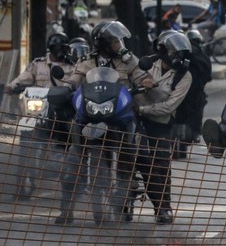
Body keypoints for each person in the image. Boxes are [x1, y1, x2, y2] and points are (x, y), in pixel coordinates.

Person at [55, 21, 153, 224]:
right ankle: (66, 210)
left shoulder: (128, 59)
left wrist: (146, 82)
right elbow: (74, 79)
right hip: (91, 115)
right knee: (72, 159)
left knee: (131, 154)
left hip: (120, 117)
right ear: (104, 43)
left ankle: (126, 196)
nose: (119, 44)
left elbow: (142, 75)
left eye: (119, 40)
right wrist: (67, 88)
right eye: (115, 40)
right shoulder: (86, 61)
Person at [4, 32, 76, 200]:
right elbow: (23, 78)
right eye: (58, 48)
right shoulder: (38, 64)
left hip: (62, 111)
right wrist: (12, 86)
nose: (61, 52)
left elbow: (77, 83)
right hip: (38, 109)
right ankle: (21, 185)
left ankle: (77, 177)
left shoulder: (72, 66)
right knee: (25, 136)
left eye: (63, 48)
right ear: (51, 48)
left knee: (75, 134)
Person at [134, 30, 192, 224]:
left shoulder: (184, 76)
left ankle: (163, 207)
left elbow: (170, 106)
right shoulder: (147, 64)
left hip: (160, 123)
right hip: (135, 119)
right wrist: (142, 81)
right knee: (138, 160)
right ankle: (125, 202)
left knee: (160, 165)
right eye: (174, 52)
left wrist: (143, 109)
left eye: (181, 54)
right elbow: (130, 78)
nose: (178, 57)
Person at [171, 30, 212, 159]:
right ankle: (194, 133)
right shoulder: (196, 54)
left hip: (187, 89)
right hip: (190, 90)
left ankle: (193, 133)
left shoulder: (190, 54)